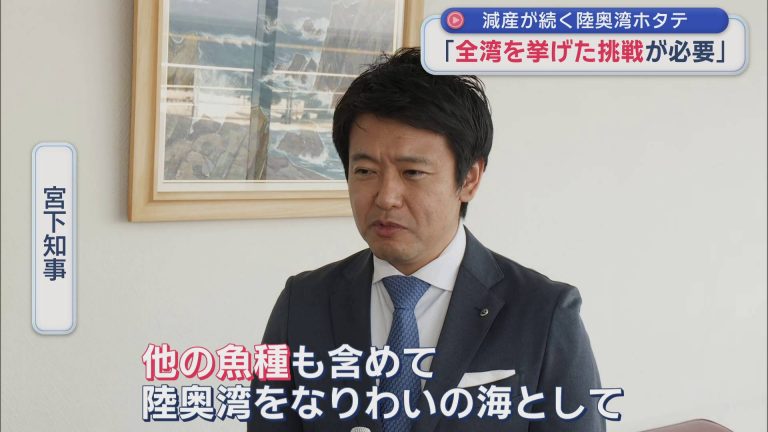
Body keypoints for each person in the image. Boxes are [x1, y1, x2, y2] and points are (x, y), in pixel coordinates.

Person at [248, 47, 604, 432]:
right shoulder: (303, 304)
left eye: (412, 172)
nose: (386, 197)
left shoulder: (544, 313)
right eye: (365, 171)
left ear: (469, 179)